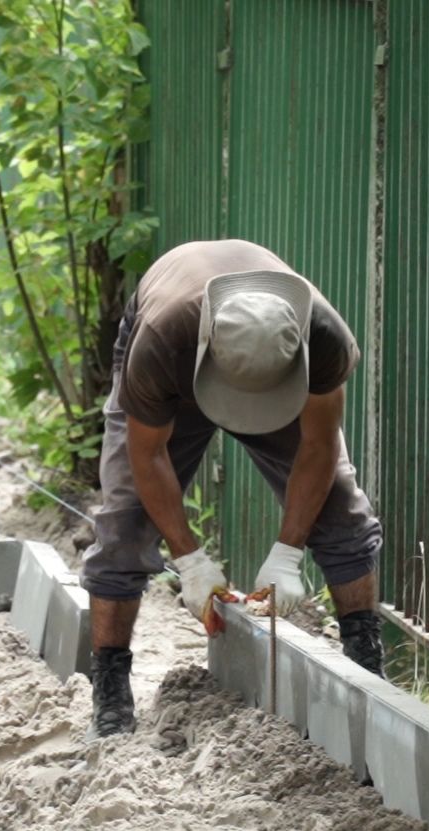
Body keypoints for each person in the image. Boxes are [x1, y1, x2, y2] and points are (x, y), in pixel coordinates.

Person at [80, 238, 385, 738]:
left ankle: (366, 662)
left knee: (340, 510)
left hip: (265, 366)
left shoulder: (323, 336)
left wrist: (288, 553)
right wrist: (190, 562)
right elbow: (147, 455)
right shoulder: (161, 340)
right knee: (125, 523)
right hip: (179, 372)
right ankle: (110, 688)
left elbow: (319, 445)